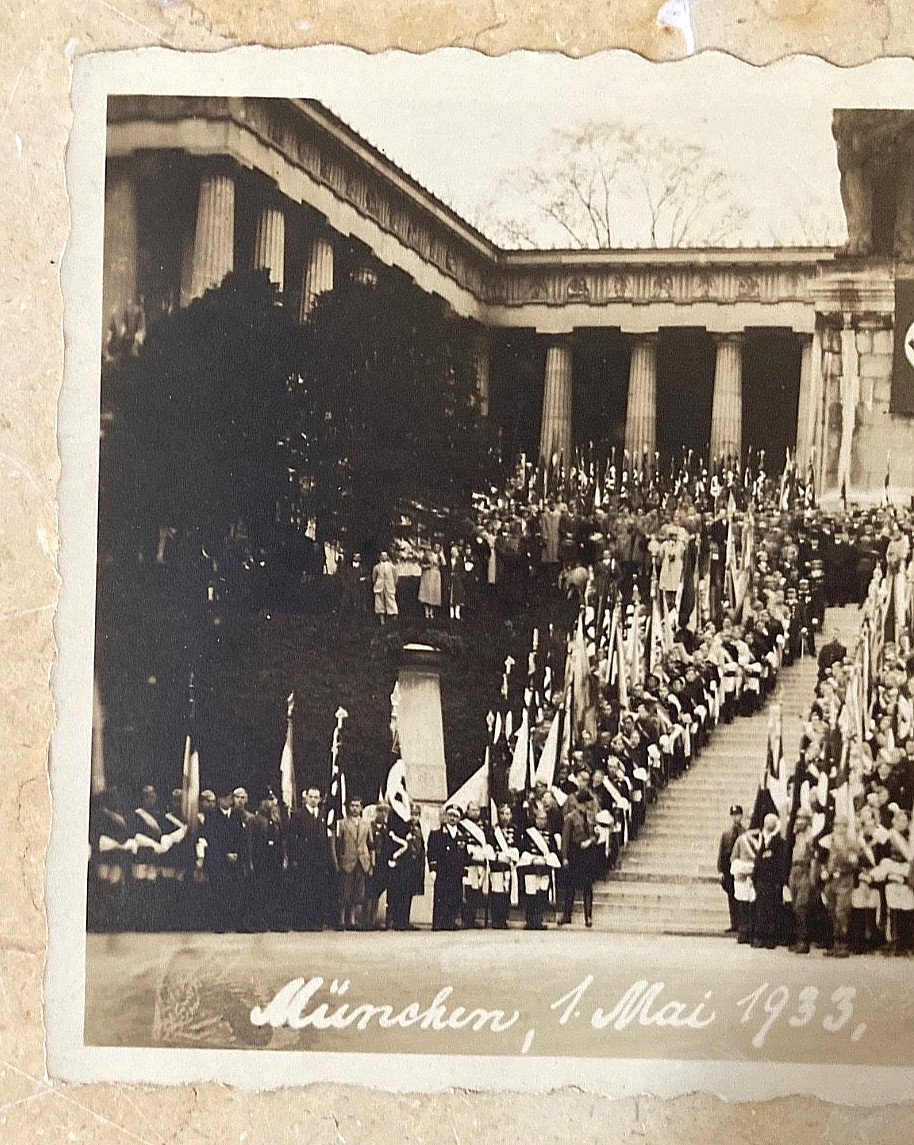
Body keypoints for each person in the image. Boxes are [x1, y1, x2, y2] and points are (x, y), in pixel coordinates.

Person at [286, 786, 332, 931]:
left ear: (320, 799)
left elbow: (324, 837)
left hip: (318, 860)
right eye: (311, 797)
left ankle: (315, 922)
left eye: (316, 797)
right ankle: (302, 923)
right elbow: (291, 838)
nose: (313, 800)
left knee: (317, 890)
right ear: (306, 798)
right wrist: (294, 857)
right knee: (303, 890)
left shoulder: (322, 815)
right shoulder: (298, 814)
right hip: (303, 858)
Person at [560, 768, 601, 927]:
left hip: (587, 851)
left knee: (587, 885)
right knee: (570, 884)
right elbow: (565, 837)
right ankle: (567, 915)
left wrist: (592, 840)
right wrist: (564, 856)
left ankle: (588, 916)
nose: (585, 807)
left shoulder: (591, 815)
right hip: (574, 850)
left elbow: (596, 833)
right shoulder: (571, 817)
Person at [822, 813, 860, 957]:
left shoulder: (851, 843)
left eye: (842, 825)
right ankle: (835, 943)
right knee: (832, 910)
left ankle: (843, 944)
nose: (839, 828)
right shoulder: (829, 841)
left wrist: (840, 850)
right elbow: (824, 858)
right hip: (831, 880)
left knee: (841, 911)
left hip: (844, 879)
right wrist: (825, 871)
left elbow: (854, 862)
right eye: (837, 825)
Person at [518, 807, 562, 929]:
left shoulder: (550, 835)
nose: (542, 821)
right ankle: (530, 921)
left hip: (544, 868)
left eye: (544, 819)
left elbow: (553, 851)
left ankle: (538, 920)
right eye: (540, 819)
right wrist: (532, 859)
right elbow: (523, 849)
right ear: (535, 819)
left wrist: (547, 859)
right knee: (530, 895)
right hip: (531, 868)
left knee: (541, 895)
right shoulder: (528, 833)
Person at [427, 804, 468, 931]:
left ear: (459, 818)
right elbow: (432, 852)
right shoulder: (437, 833)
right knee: (441, 896)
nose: (452, 818)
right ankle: (438, 922)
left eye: (455, 816)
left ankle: (450, 922)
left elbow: (464, 856)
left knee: (454, 897)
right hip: (442, 871)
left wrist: (464, 873)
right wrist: (433, 869)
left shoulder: (462, 835)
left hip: (456, 872)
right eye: (450, 815)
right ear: (445, 816)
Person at [386, 802, 426, 931]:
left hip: (415, 865)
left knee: (409, 894)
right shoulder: (404, 828)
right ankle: (399, 921)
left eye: (416, 814)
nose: (414, 817)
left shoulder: (419, 828)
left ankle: (405, 920)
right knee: (402, 893)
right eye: (412, 814)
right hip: (405, 865)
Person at [752, 812, 788, 949]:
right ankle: (760, 936)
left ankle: (771, 938)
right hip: (762, 882)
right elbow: (758, 862)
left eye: (770, 823)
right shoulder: (763, 841)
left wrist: (780, 881)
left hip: (773, 882)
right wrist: (755, 879)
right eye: (766, 823)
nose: (767, 825)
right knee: (761, 910)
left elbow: (781, 864)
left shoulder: (780, 843)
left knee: (772, 910)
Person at [335, 797, 372, 930]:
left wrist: (370, 863)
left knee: (358, 892)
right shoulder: (342, 823)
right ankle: (341, 920)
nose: (355, 808)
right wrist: (339, 859)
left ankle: (352, 920)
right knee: (345, 891)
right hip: (347, 860)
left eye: (357, 806)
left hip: (361, 861)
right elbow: (338, 843)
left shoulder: (366, 824)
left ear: (361, 808)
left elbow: (370, 843)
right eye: (352, 805)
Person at [787, 808, 817, 954]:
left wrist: (812, 876)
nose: (799, 821)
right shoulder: (796, 835)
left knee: (801, 906)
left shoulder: (810, 836)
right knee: (795, 906)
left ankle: (804, 941)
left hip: (805, 870)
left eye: (802, 818)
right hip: (795, 870)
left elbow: (813, 858)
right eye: (798, 817)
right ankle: (798, 939)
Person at [459, 801, 493, 927]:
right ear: (467, 811)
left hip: (481, 861)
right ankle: (466, 919)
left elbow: (489, 842)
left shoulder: (485, 826)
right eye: (472, 810)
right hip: (469, 862)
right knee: (467, 890)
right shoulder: (462, 825)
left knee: (476, 891)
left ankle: (473, 918)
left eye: (477, 810)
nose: (475, 812)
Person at [489, 803, 520, 929]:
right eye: (502, 814)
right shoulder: (493, 830)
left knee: (506, 893)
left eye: (507, 814)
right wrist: (497, 856)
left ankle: (503, 919)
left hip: (509, 865)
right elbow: (489, 846)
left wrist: (513, 854)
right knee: (496, 892)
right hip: (497, 865)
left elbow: (518, 845)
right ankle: (495, 919)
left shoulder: (515, 830)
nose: (505, 817)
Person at [717, 804, 744, 934]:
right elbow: (721, 853)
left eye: (737, 815)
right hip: (728, 868)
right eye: (733, 815)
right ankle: (734, 923)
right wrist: (720, 870)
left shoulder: (745, 833)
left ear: (741, 816)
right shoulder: (726, 834)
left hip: (740, 866)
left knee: (741, 895)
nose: (735, 818)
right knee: (731, 896)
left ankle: (742, 924)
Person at [366, 800, 391, 930]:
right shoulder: (370, 827)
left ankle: (374, 919)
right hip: (372, 862)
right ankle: (367, 920)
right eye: (380, 811)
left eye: (385, 811)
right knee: (369, 892)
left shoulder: (387, 829)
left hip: (383, 864)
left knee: (377, 892)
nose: (382, 814)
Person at [418, 542, 444, 620]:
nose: (436, 548)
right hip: (428, 574)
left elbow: (444, 564)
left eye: (438, 547)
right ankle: (426, 612)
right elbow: (421, 564)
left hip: (436, 575)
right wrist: (427, 566)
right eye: (435, 546)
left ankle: (431, 612)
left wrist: (442, 555)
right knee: (427, 593)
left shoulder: (439, 556)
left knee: (433, 593)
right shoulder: (428, 555)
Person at [372, 550, 398, 626]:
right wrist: (377, 583)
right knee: (379, 603)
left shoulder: (392, 567)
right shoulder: (376, 567)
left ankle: (393, 619)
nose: (383, 557)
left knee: (391, 601)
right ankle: (382, 621)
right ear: (380, 557)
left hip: (389, 586)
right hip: (380, 587)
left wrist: (392, 584)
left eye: (385, 555)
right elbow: (374, 578)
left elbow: (395, 577)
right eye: (382, 555)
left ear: (387, 557)